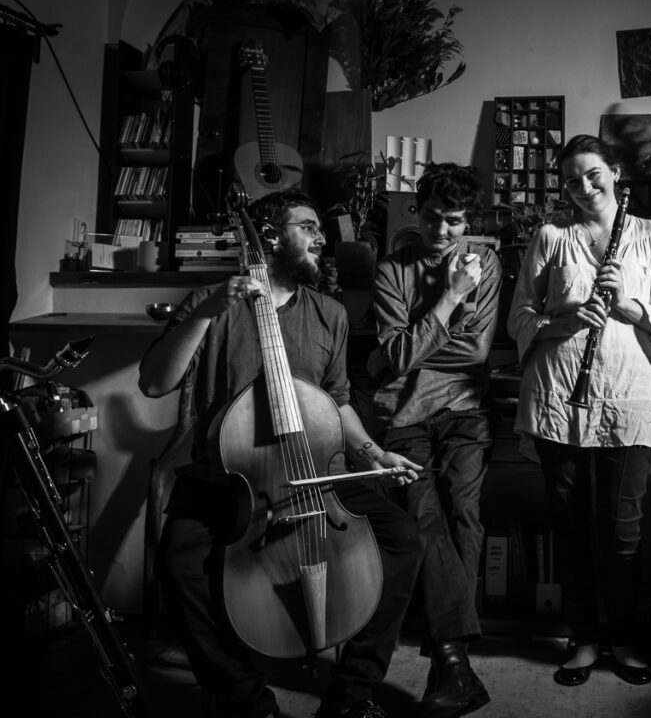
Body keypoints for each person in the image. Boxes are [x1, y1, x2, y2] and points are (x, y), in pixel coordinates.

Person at [138, 190, 424, 718]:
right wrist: (206, 312)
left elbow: (336, 402)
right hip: (227, 476)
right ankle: (244, 699)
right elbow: (155, 384)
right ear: (269, 236)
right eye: (308, 227)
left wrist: (372, 452)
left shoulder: (330, 314)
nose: (322, 239)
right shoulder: (211, 302)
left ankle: (352, 694)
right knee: (179, 564)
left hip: (314, 473)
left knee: (403, 539)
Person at [507, 134, 651, 688]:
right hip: (559, 396)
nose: (583, 188)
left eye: (593, 175)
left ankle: (623, 638)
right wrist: (563, 321)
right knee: (571, 527)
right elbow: (520, 316)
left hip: (628, 399)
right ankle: (583, 638)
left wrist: (627, 304)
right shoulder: (551, 236)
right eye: (572, 181)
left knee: (623, 531)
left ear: (615, 173)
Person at [367, 163, 499, 718]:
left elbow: (476, 352)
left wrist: (405, 349)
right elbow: (396, 357)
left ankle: (450, 662)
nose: (442, 232)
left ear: (469, 221)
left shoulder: (487, 262)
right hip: (403, 413)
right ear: (416, 212)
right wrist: (450, 298)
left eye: (455, 221)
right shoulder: (391, 269)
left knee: (464, 514)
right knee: (424, 517)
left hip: (465, 408)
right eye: (432, 218)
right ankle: (455, 666)